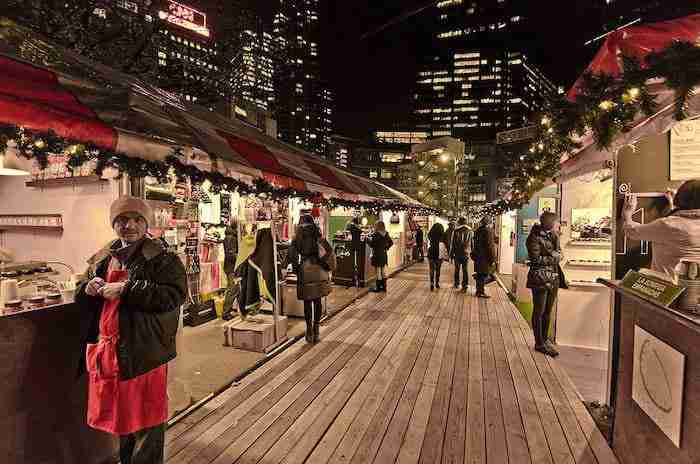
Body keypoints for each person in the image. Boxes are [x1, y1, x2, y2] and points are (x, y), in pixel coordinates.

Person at [75, 196, 187, 463]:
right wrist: (87, 288)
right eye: (123, 220)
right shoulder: (105, 256)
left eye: (137, 219)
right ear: (114, 224)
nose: (130, 226)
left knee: (147, 421)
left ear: (146, 223)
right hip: (111, 353)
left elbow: (174, 296)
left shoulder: (162, 258)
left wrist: (127, 289)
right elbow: (82, 290)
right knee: (122, 418)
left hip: (145, 352)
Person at [622, 181, 700, 278]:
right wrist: (673, 205)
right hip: (695, 290)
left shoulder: (668, 225)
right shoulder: (671, 226)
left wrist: (627, 214)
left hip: (667, 290)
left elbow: (631, 231)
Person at [289, 214, 335, 343]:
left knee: (307, 302)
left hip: (305, 270)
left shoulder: (297, 236)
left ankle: (308, 330)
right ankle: (316, 329)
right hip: (319, 270)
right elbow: (328, 250)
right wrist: (323, 262)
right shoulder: (317, 233)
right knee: (317, 300)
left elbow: (292, 255)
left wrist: (296, 268)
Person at [526, 211, 564, 357]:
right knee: (539, 311)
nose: (559, 225)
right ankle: (539, 343)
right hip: (540, 278)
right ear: (550, 223)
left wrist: (557, 255)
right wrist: (554, 258)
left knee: (548, 311)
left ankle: (545, 339)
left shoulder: (553, 235)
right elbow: (535, 259)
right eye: (557, 222)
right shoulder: (533, 237)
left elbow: (559, 252)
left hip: (553, 277)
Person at [472, 216, 496, 298]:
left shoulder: (477, 231)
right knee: (485, 275)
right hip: (485, 258)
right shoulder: (488, 231)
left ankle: (479, 291)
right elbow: (490, 246)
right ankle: (480, 291)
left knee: (480, 274)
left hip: (478, 256)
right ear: (489, 222)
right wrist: (492, 259)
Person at [369, 221, 393, 292]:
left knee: (378, 271)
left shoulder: (375, 234)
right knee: (383, 270)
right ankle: (384, 287)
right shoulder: (386, 234)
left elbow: (372, 244)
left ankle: (378, 288)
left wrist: (367, 240)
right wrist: (386, 248)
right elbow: (391, 243)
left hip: (377, 254)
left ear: (377, 226)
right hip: (384, 254)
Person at [450, 217, 473, 292]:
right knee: (465, 270)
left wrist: (451, 254)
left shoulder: (455, 231)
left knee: (457, 269)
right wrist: (472, 252)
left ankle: (456, 284)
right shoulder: (470, 231)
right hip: (466, 253)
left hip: (457, 253)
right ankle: (465, 285)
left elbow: (452, 244)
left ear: (459, 222)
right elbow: (472, 243)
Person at [427, 223, 446, 291]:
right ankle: (437, 283)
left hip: (431, 252)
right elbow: (445, 244)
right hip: (439, 253)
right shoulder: (442, 235)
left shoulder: (430, 234)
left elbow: (429, 240)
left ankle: (431, 283)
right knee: (438, 269)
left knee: (431, 269)